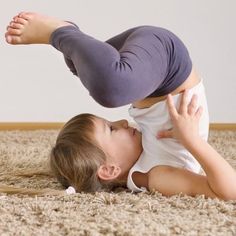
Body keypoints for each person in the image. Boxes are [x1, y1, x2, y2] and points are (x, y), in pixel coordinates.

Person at [3, 12, 236, 199]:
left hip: (144, 65)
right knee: (112, 91)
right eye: (111, 129)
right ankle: (62, 33)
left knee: (106, 82)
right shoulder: (156, 177)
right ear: (109, 170)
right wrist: (192, 140)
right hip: (168, 64)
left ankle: (71, 43)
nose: (123, 121)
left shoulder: (145, 161)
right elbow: (229, 192)